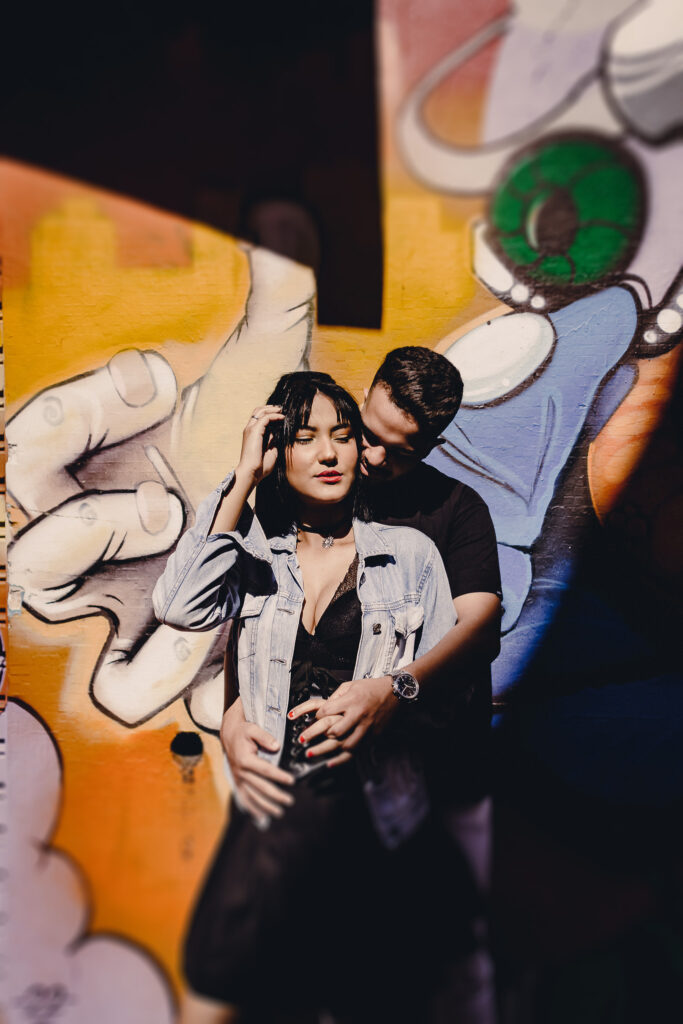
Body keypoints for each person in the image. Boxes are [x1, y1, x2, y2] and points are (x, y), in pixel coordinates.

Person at [153, 371, 460, 1024]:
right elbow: (179, 607)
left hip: (371, 831)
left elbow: (446, 695)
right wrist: (242, 477)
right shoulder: (253, 556)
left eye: (343, 436)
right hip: (270, 825)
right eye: (305, 437)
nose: (328, 453)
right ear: (277, 449)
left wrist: (392, 696)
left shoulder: (410, 556)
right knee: (219, 999)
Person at [358, 346, 502, 1023]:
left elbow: (478, 626)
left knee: (456, 961)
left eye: (399, 451)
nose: (373, 457)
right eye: (368, 433)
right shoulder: (322, 488)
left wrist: (397, 689)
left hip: (447, 771)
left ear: (431, 446)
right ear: (365, 395)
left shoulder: (457, 509)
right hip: (351, 779)